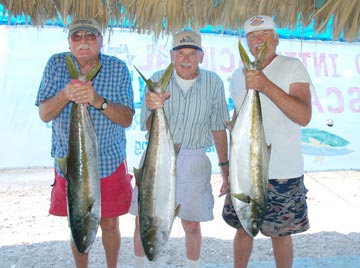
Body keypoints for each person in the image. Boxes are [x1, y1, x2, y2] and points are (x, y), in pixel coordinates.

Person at [35, 18, 134, 268]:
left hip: (109, 160)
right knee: (76, 222)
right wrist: (66, 94)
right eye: (76, 37)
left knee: (110, 223)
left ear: (101, 40)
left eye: (90, 37)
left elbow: (126, 119)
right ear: (69, 41)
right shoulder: (56, 64)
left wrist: (97, 100)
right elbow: (45, 114)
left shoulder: (118, 67)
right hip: (70, 163)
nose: (83, 42)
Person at [129, 30, 230, 268]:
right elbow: (149, 126)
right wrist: (155, 107)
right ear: (172, 56)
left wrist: (225, 167)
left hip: (194, 159)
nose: (186, 58)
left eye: (192, 53)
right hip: (157, 157)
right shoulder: (156, 79)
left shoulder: (214, 82)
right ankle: (139, 265)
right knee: (143, 220)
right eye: (180, 53)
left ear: (201, 57)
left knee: (192, 224)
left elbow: (218, 128)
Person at [222, 15, 313, 268]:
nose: (258, 39)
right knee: (242, 230)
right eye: (252, 36)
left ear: (276, 38)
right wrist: (229, 167)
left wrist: (265, 85)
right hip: (244, 173)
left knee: (280, 235)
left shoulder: (293, 66)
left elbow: (304, 115)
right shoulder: (238, 76)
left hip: (283, 171)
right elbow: (238, 120)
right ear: (246, 43)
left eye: (264, 34)